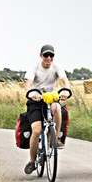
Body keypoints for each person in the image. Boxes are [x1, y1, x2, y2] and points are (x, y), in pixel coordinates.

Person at [22, 44, 70, 175]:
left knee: (58, 108)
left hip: (50, 98)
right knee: (36, 131)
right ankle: (32, 161)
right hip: (36, 100)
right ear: (41, 56)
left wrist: (66, 90)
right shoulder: (34, 67)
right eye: (46, 55)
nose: (49, 58)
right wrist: (30, 93)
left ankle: (55, 139)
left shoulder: (57, 67)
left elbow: (65, 81)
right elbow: (28, 83)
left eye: (51, 55)